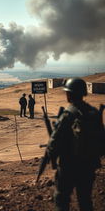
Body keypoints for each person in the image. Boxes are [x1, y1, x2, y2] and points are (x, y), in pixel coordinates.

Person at [47, 78, 105, 211]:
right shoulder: (94, 112)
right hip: (89, 165)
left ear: (70, 94)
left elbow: (54, 142)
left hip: (68, 165)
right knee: (85, 199)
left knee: (62, 198)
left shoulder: (69, 114)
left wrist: (53, 158)